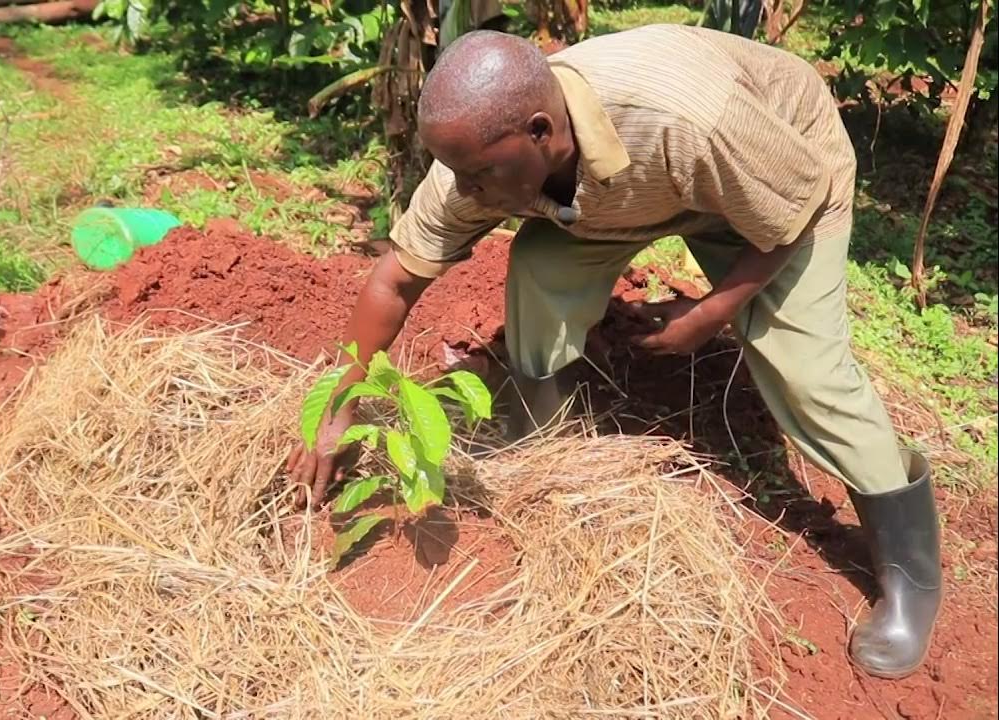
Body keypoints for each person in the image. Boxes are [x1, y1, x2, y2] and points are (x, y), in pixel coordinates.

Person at [285, 26, 941, 679]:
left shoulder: (690, 115)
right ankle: (540, 447)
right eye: (460, 173)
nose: (470, 192)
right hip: (624, 196)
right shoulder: (479, 156)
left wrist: (713, 311)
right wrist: (339, 404)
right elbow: (396, 278)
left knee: (807, 375)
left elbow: (797, 202)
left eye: (482, 174)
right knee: (542, 270)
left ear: (543, 132)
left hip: (777, 180)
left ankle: (912, 581)